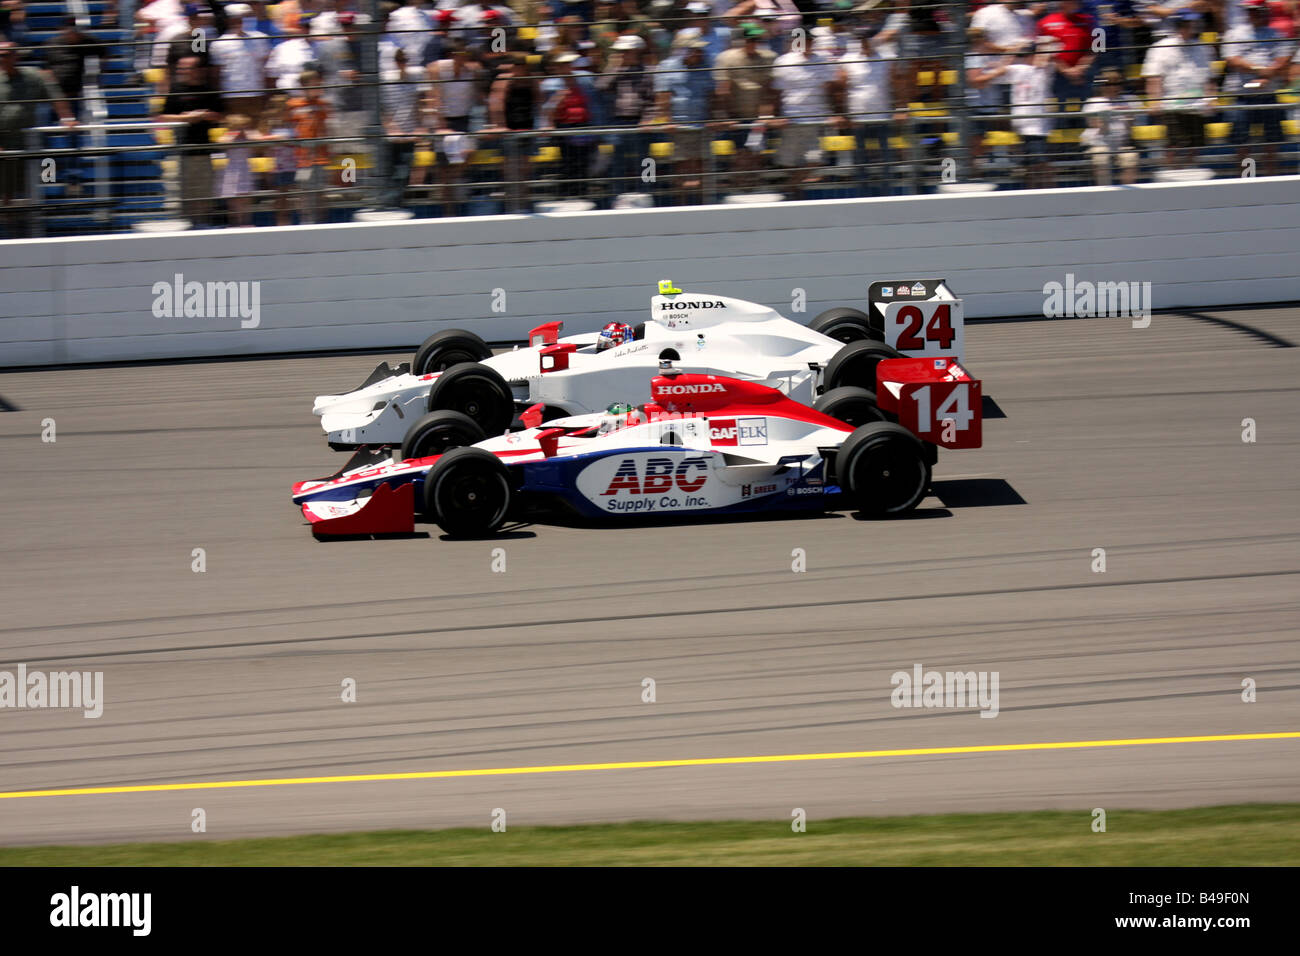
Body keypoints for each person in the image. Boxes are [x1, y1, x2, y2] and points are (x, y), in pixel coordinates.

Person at [1, 40, 75, 237]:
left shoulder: (32, 76)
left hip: (29, 141)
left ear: (15, 56)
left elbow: (54, 94)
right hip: (5, 143)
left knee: (44, 172)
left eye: (6, 54)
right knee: (6, 189)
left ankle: (36, 223)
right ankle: (10, 230)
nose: (2, 59)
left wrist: (66, 117)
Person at [1223, 0, 1293, 176]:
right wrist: (1261, 71)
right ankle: (1246, 178)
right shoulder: (1235, 34)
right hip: (1243, 95)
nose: (1253, 14)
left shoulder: (1274, 34)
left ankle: (1270, 176)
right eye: (1251, 11)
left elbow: (1283, 60)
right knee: (1242, 143)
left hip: (1267, 93)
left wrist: (1266, 75)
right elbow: (1233, 60)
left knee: (1271, 142)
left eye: (1257, 11)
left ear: (1264, 11)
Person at [156, 53, 223, 225]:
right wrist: (185, 118)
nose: (183, 71)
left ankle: (202, 224)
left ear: (197, 70)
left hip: (203, 150)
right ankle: (189, 225)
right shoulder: (176, 90)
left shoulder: (208, 90)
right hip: (182, 151)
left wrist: (203, 115)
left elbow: (220, 115)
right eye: (181, 68)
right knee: (186, 194)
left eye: (187, 68)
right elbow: (163, 117)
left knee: (204, 192)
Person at [1142, 8, 1214, 168]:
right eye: (1188, 24)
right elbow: (1154, 77)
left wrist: (1210, 99)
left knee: (1194, 147)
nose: (1192, 27)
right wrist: (1155, 101)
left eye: (1194, 24)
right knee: (1173, 146)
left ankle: (1191, 178)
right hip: (1172, 105)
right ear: (1179, 25)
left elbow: (1208, 77)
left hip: (1196, 105)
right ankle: (1171, 176)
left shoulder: (1203, 48)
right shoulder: (1161, 48)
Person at [836, 25, 903, 194]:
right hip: (858, 117)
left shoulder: (888, 59)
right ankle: (862, 193)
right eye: (862, 40)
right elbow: (841, 89)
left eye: (867, 39)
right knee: (861, 159)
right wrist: (843, 113)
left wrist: (901, 108)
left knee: (886, 158)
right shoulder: (848, 60)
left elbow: (897, 84)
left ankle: (887, 194)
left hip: (882, 116)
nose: (864, 43)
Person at [771, 33, 836, 194]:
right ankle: (795, 192)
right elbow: (775, 92)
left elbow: (831, 89)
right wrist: (774, 116)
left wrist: (834, 112)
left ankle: (789, 189)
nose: (806, 44)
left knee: (815, 159)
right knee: (788, 161)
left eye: (809, 40)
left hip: (816, 120)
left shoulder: (822, 61)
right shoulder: (783, 61)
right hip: (791, 118)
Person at [653, 37, 715, 203]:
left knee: (702, 167)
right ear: (685, 50)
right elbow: (662, 96)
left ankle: (703, 206)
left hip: (701, 126)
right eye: (696, 50)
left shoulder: (706, 65)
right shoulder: (667, 66)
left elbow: (711, 95)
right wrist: (666, 120)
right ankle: (681, 204)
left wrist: (714, 117)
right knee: (682, 167)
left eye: (700, 50)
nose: (700, 53)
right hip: (679, 127)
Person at [714, 20, 775, 178]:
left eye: (756, 40)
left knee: (757, 154)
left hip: (758, 117)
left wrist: (765, 117)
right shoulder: (726, 58)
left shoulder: (768, 58)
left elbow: (768, 90)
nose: (753, 43)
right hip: (736, 117)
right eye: (750, 40)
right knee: (740, 156)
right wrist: (727, 118)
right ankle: (739, 186)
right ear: (742, 40)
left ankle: (755, 187)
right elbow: (722, 90)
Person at [487, 50, 539, 210]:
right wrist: (499, 126)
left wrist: (543, 124)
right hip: (509, 129)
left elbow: (540, 100)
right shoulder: (503, 80)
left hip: (527, 127)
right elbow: (496, 104)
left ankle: (524, 203)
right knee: (509, 167)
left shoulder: (532, 80)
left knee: (526, 168)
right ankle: (510, 203)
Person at [379, 45, 430, 208]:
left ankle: (398, 204)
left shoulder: (415, 79)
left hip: (409, 133)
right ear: (395, 62)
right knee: (390, 172)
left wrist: (420, 126)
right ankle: (389, 205)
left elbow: (419, 104)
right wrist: (390, 128)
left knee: (404, 172)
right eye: (400, 60)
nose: (403, 64)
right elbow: (382, 109)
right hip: (391, 136)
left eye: (405, 61)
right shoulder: (386, 81)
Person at [542, 51, 595, 197]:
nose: (567, 67)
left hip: (582, 126)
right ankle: (568, 194)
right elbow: (547, 109)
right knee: (568, 163)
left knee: (583, 162)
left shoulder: (583, 80)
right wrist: (558, 97)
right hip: (564, 128)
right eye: (563, 65)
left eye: (568, 64)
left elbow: (592, 103)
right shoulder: (551, 84)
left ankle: (582, 193)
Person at [1007, 38, 1057, 188]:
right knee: (1032, 166)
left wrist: (1042, 42)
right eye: (1035, 54)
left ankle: (1049, 194)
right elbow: (1001, 69)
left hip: (1037, 128)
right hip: (1021, 126)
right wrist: (1015, 49)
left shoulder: (1045, 71)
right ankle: (1035, 194)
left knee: (1039, 165)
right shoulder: (1019, 70)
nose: (1040, 57)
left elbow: (1052, 51)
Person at [210, 3, 270, 122]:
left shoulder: (260, 39)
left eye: (246, 17)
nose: (243, 21)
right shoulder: (219, 44)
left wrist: (266, 94)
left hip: (257, 94)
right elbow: (216, 75)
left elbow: (265, 68)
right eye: (239, 18)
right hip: (233, 96)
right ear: (231, 20)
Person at [286, 67, 331, 221]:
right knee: (305, 192)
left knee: (320, 192)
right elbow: (287, 128)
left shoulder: (323, 105)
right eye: (314, 85)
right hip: (302, 160)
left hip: (321, 158)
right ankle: (306, 221)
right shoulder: (293, 105)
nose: (318, 87)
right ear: (304, 86)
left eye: (318, 84)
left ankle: (321, 222)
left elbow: (328, 127)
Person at [1081, 66, 1140, 183]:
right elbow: (1100, 130)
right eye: (1108, 84)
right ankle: (1104, 193)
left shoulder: (1130, 100)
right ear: (1102, 86)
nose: (1113, 87)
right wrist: (1108, 113)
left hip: (1122, 144)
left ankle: (1127, 194)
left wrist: (1128, 115)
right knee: (1101, 158)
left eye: (1116, 83)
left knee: (1130, 158)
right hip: (1099, 144)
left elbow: (1130, 129)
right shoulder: (1093, 103)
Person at [218, 112, 255, 224]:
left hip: (245, 169)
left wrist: (246, 133)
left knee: (246, 200)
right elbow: (222, 142)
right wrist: (235, 133)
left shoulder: (248, 134)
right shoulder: (229, 135)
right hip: (232, 171)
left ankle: (246, 223)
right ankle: (235, 224)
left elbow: (257, 138)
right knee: (233, 202)